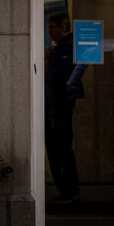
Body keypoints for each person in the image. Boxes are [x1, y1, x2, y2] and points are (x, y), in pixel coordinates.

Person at [44, 12, 83, 204]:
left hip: (61, 104)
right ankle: (64, 189)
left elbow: (66, 73)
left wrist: (50, 60)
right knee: (55, 147)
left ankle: (70, 190)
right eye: (49, 27)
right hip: (54, 104)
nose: (50, 32)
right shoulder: (60, 48)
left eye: (53, 27)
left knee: (62, 147)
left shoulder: (69, 47)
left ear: (63, 28)